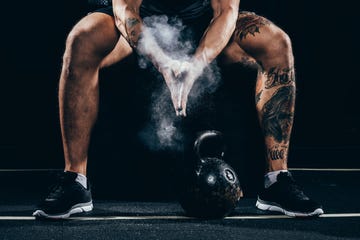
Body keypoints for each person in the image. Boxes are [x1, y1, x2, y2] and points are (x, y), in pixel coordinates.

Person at [32, 0, 323, 219]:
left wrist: (196, 64)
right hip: (137, 31)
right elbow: (126, 12)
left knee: (276, 42)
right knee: (81, 39)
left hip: (204, 29)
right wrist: (164, 62)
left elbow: (225, 13)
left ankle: (277, 181)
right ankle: (75, 181)